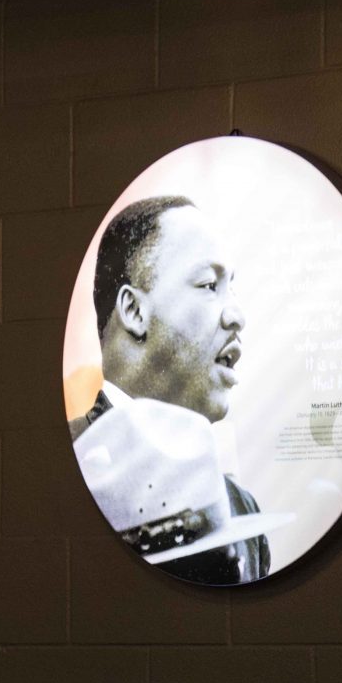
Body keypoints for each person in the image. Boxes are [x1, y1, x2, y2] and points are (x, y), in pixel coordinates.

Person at [72, 194, 272, 584]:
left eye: (232, 288)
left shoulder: (242, 509)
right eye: (209, 285)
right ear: (134, 311)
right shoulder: (61, 462)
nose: (237, 316)